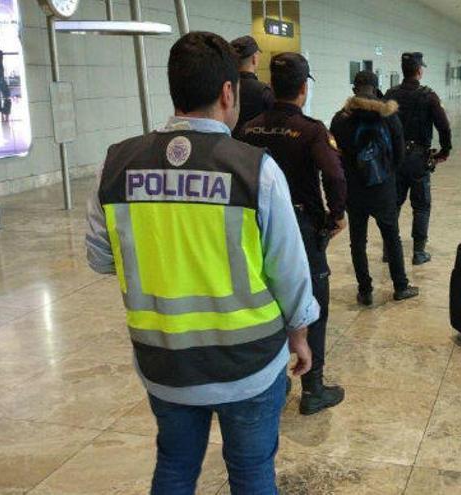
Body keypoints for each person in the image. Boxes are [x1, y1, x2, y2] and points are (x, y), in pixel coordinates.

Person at [85, 32, 316, 494]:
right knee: (251, 474)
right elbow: (289, 270)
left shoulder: (116, 165)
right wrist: (300, 335)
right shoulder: (254, 170)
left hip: (164, 362)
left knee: (174, 467)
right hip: (248, 364)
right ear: (228, 93)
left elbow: (101, 257)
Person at [237, 52, 347, 416]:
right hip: (300, 227)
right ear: (303, 88)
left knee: (266, 301)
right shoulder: (312, 130)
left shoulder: (248, 128)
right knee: (311, 303)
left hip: (253, 227)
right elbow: (334, 175)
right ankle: (313, 388)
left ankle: (275, 381)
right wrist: (336, 215)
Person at [331, 70, 420, 305]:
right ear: (377, 87)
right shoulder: (389, 116)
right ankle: (400, 286)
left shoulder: (340, 119)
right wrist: (386, 173)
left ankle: (365, 291)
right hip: (383, 188)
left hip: (354, 189)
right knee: (392, 236)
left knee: (358, 241)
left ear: (354, 89)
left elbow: (336, 157)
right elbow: (399, 154)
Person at [384, 52, 452, 265]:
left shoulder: (390, 94)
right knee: (421, 206)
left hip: (396, 157)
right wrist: (445, 150)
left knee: (394, 204)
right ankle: (419, 252)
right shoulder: (428, 96)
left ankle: (389, 251)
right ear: (419, 71)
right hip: (419, 158)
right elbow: (443, 126)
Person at [230, 35, 275, 136]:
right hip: (258, 148)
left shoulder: (224, 89)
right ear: (254, 58)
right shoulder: (265, 91)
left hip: (227, 147)